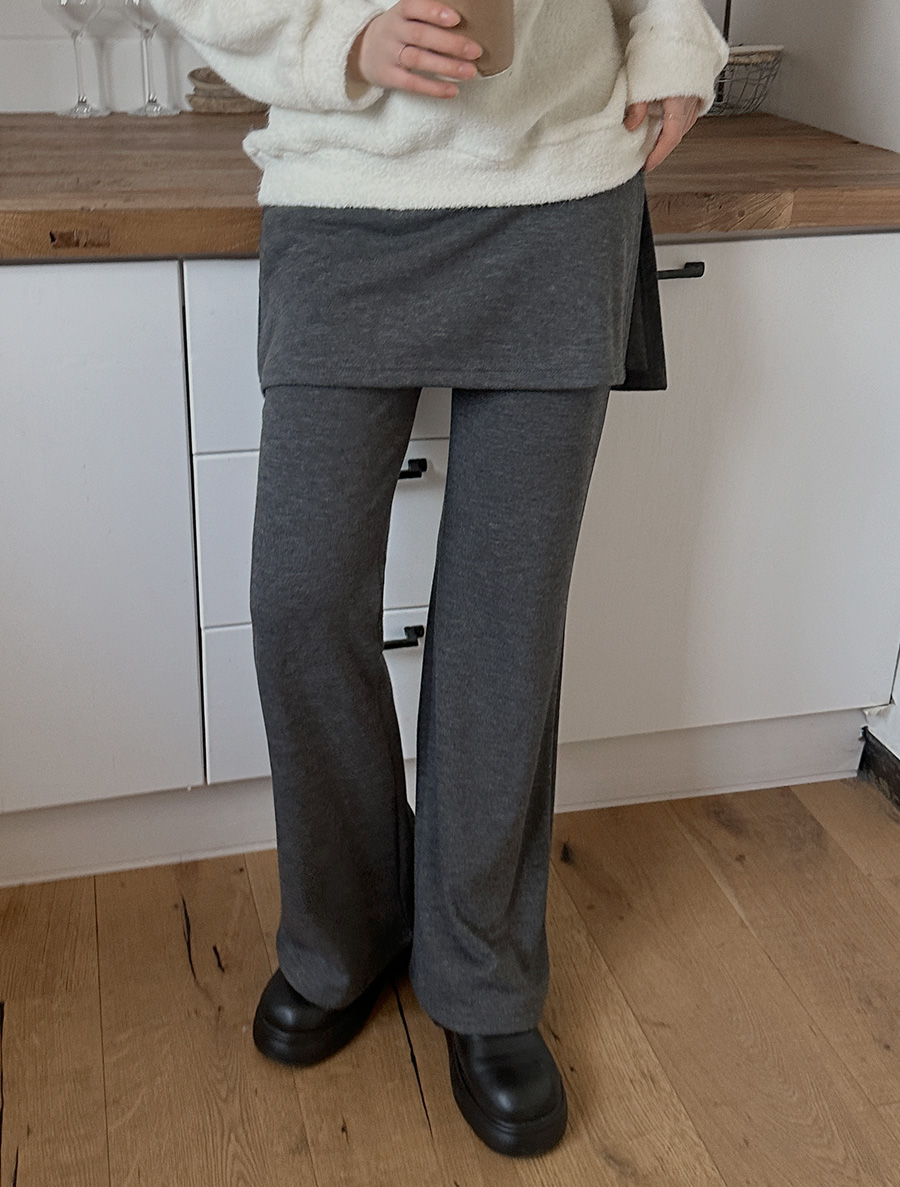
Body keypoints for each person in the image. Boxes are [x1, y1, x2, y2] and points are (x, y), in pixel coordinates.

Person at [152, 0, 728, 1158]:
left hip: (561, 185)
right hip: (342, 191)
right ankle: (348, 927)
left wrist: (673, 42)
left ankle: (482, 972)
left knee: (504, 621)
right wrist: (335, 43)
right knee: (300, 598)